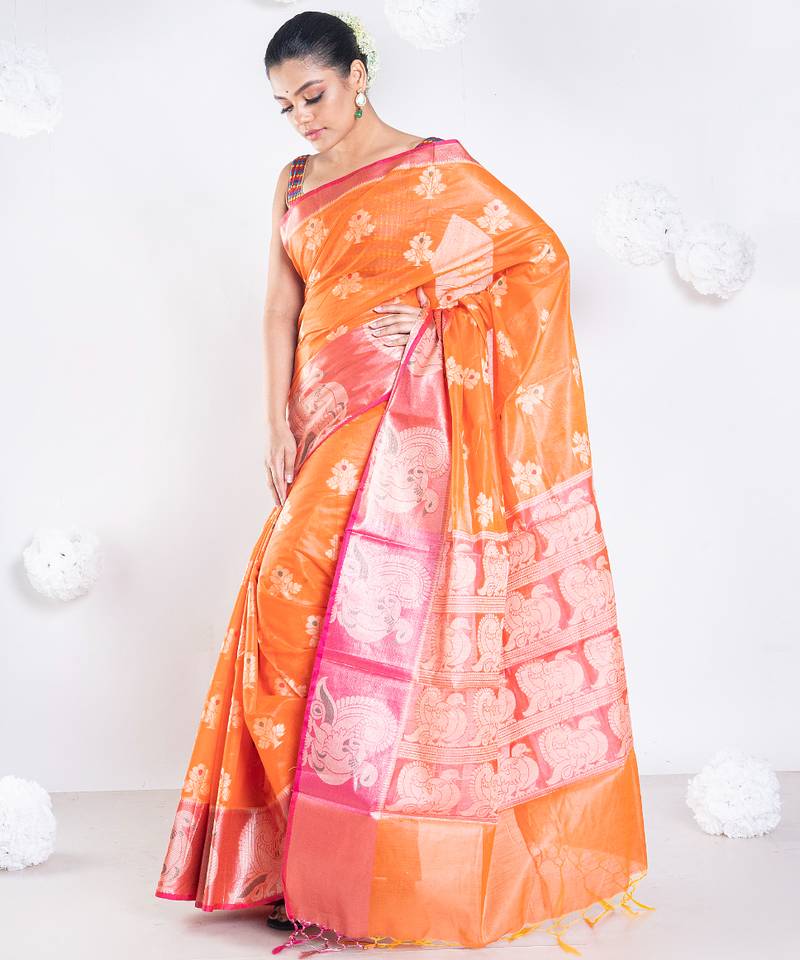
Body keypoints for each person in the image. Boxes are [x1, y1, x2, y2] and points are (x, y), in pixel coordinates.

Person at [155, 10, 652, 955]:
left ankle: (346, 867)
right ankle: (308, 861)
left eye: (314, 94)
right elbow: (279, 306)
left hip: (400, 415)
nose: (303, 117)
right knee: (296, 612)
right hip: (317, 415)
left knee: (336, 610)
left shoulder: (434, 167)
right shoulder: (293, 182)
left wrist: (431, 312)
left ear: (358, 74)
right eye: (285, 105)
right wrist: (274, 420)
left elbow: (538, 257)